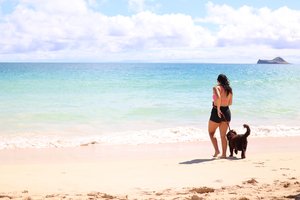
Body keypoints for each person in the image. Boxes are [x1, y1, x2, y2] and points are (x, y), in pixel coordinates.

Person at [208, 74, 233, 158]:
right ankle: (224, 155)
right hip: (226, 111)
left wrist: (218, 108)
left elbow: (218, 97)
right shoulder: (229, 90)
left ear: (218, 80)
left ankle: (217, 150)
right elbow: (230, 103)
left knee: (211, 133)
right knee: (223, 135)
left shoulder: (216, 88)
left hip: (216, 111)